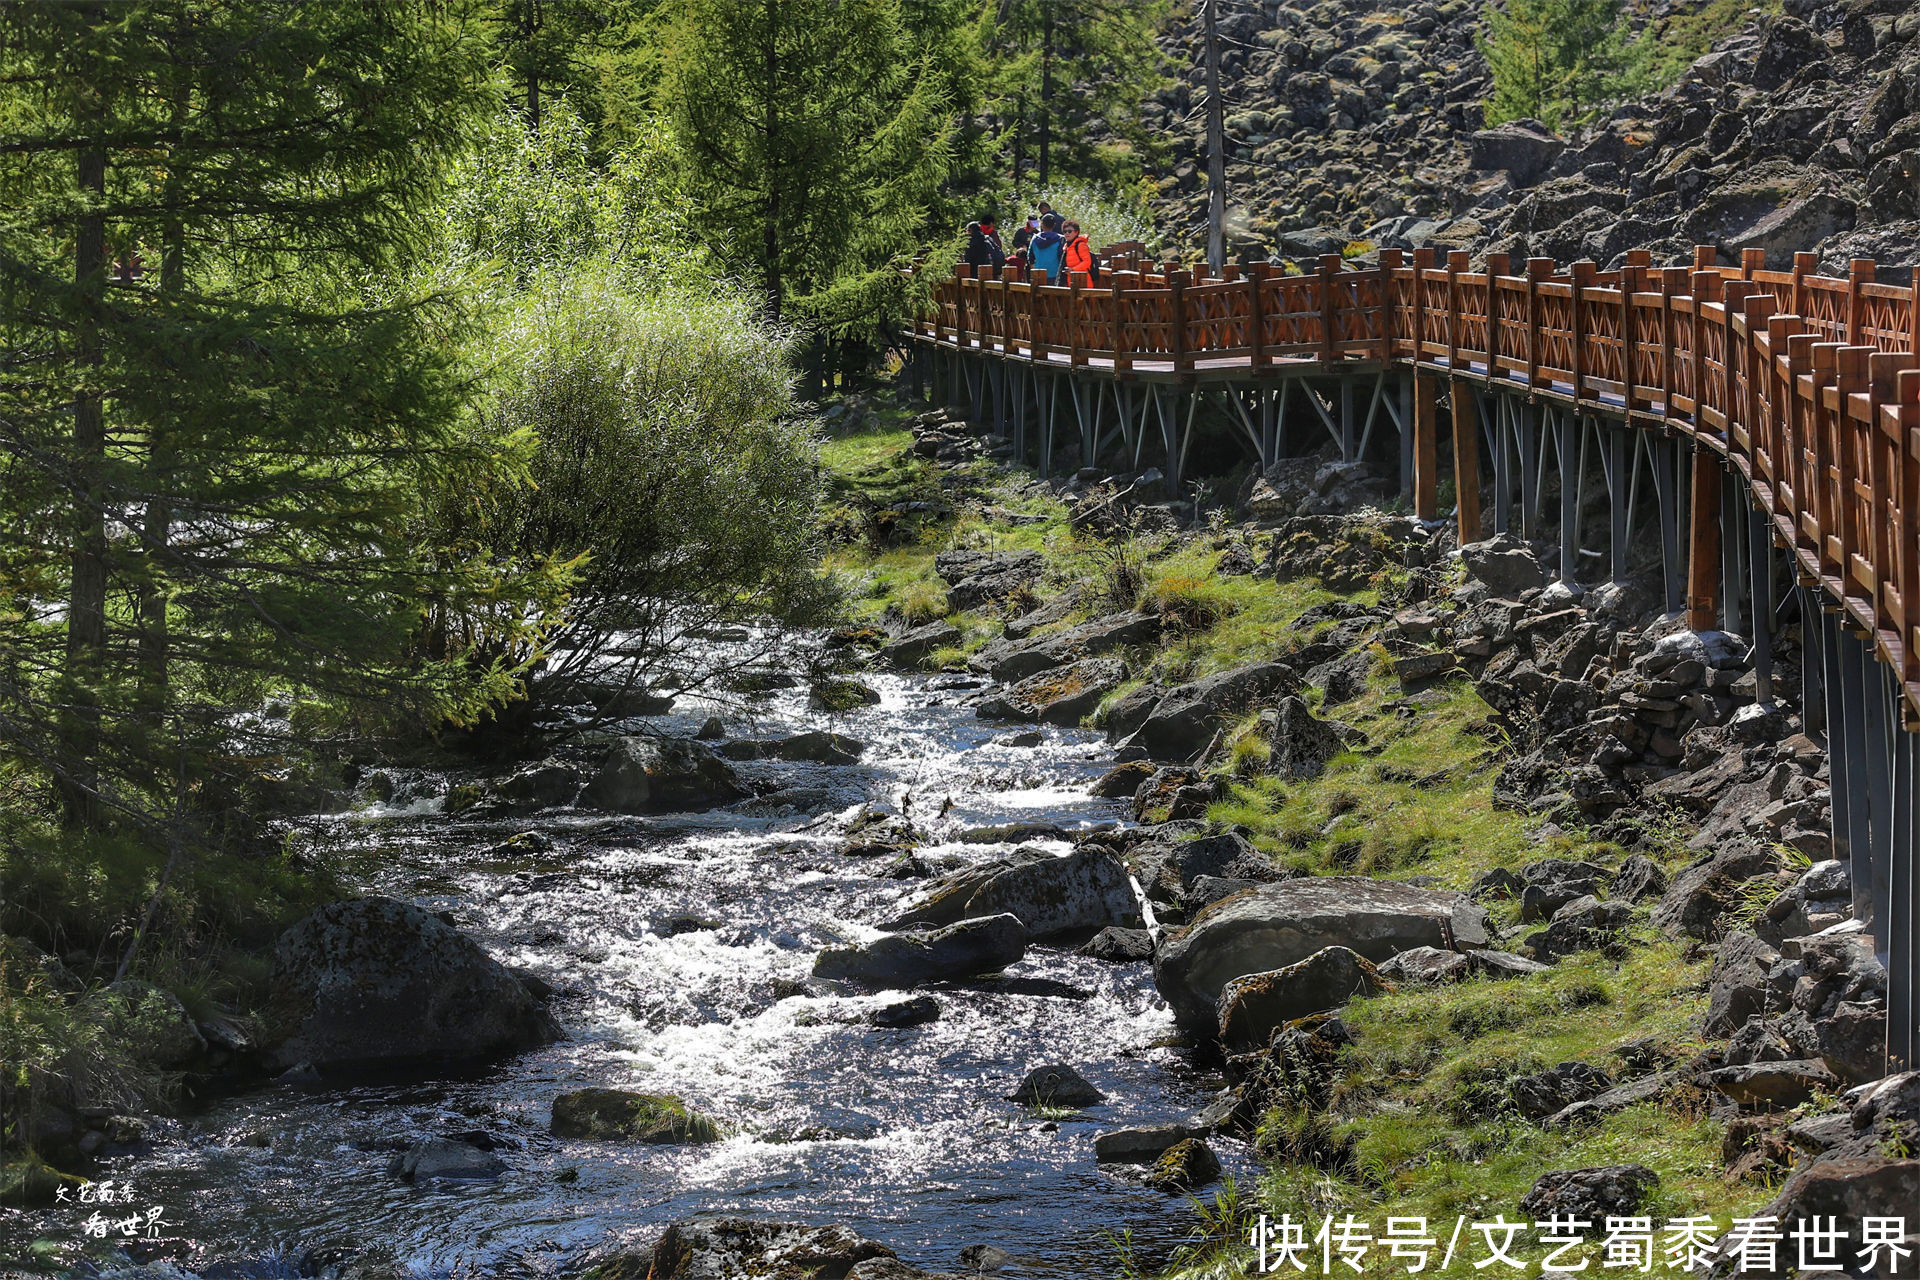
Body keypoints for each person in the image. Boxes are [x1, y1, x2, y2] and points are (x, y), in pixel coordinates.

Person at [1028, 212, 1065, 283]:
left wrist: (1034, 271)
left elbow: (1030, 258)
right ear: (1054, 225)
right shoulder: (1060, 239)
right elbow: (1062, 258)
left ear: (1042, 225)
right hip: (1055, 274)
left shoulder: (1035, 238)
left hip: (1038, 274)